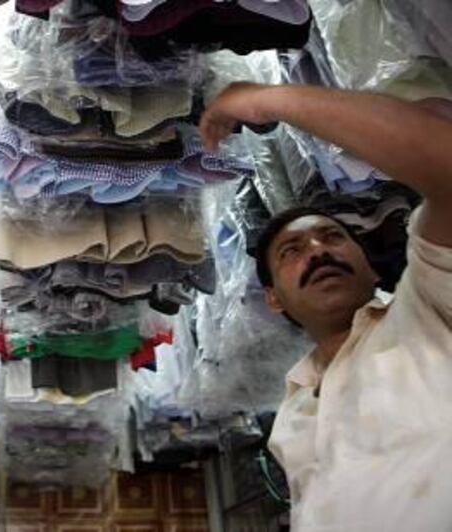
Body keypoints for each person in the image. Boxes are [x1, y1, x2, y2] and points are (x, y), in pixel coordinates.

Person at [199, 82, 452, 532]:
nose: (317, 250)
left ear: (372, 267)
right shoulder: (293, 411)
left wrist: (266, 100)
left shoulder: (428, 306)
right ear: (273, 297)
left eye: (334, 237)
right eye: (290, 251)